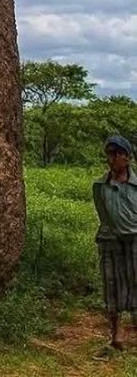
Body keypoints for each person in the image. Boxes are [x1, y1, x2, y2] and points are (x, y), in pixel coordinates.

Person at [92, 134, 137, 354]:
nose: (114, 158)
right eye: (110, 154)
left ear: (128, 158)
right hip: (110, 240)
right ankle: (116, 335)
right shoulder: (100, 186)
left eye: (119, 154)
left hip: (135, 239)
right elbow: (102, 213)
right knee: (111, 286)